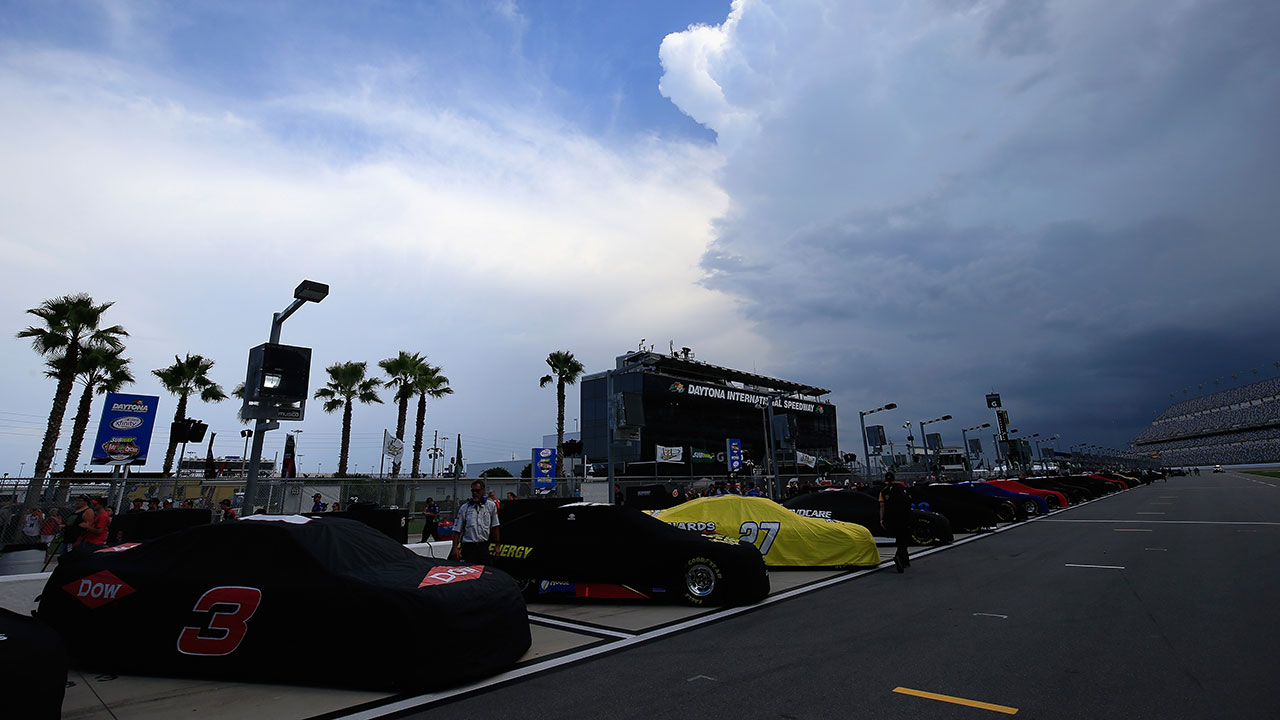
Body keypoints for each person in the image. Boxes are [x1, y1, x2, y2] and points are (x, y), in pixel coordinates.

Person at [450, 480, 500, 563]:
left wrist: (497, 545)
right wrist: (455, 548)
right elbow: (457, 530)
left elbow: (495, 526)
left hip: (483, 546)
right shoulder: (465, 508)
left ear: (483, 491)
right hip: (468, 547)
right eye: (473, 491)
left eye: (477, 491)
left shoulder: (490, 506)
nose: (475, 493)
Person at [879, 477, 912, 573]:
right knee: (904, 539)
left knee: (899, 538)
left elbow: (882, 506)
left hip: (891, 518)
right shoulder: (901, 488)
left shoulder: (883, 491)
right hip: (904, 517)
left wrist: (881, 519)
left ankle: (905, 561)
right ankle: (899, 557)